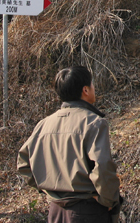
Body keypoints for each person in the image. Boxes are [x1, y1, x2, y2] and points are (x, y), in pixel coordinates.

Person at [17, 66, 122, 223]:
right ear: (85, 90)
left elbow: (24, 164)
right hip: (87, 210)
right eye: (92, 84)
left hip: (55, 211)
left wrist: (49, 191)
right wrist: (109, 201)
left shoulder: (44, 124)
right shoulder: (94, 123)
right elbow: (102, 168)